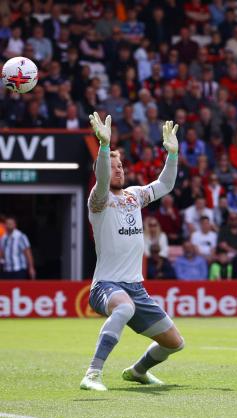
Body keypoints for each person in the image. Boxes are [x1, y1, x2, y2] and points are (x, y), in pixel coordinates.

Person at [81, 113, 185, 391]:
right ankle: (92, 373)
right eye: (112, 166)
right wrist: (104, 147)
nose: (118, 169)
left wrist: (172, 155)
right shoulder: (98, 200)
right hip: (106, 284)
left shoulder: (134, 195)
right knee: (124, 307)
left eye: (121, 165)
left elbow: (164, 185)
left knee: (175, 343)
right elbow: (102, 179)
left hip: (136, 287)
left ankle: (137, 371)